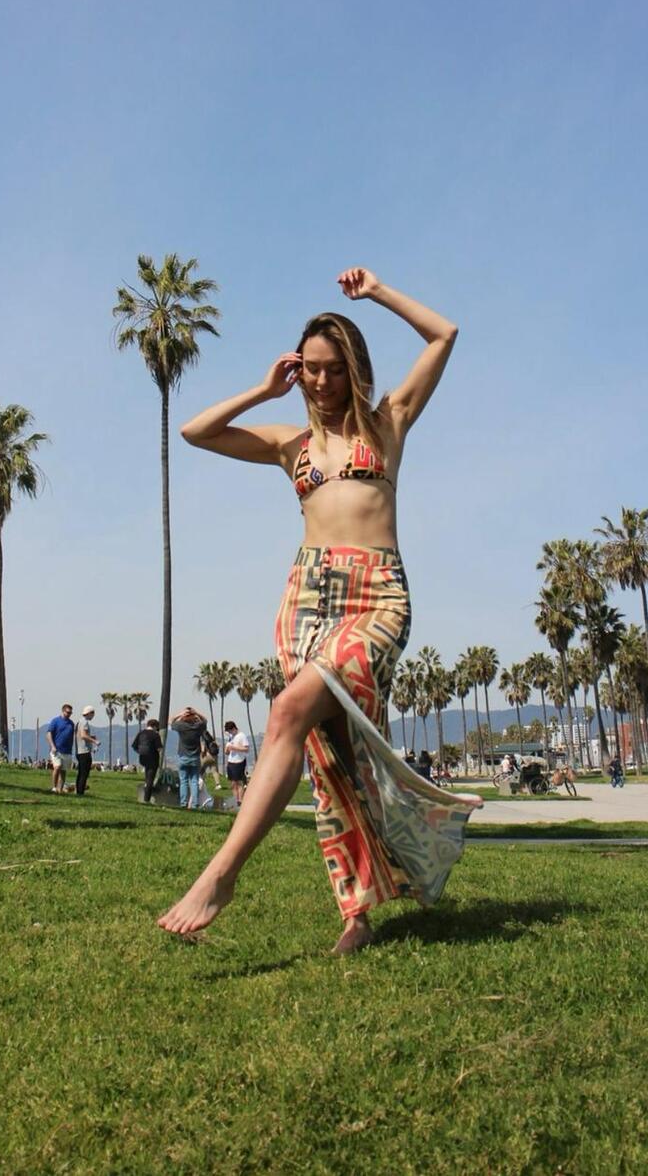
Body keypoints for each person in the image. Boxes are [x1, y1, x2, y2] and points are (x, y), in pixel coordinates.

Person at [157, 267, 476, 954]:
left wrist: (378, 292)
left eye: (333, 369)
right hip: (307, 599)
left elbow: (444, 334)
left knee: (286, 712)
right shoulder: (290, 444)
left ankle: (220, 875)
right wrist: (263, 389)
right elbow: (195, 431)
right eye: (310, 370)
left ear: (354, 369)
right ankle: (356, 914)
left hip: (377, 596)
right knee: (332, 757)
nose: (321, 382)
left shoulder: (388, 423)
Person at [171, 706, 208, 809]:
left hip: (183, 756)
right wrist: (196, 712)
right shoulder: (198, 727)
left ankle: (183, 803)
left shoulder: (181, 726)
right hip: (195, 757)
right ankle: (195, 804)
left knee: (183, 781)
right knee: (194, 781)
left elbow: (171, 721)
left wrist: (181, 713)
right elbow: (205, 720)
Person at [45, 703, 76, 794]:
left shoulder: (71, 724)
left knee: (63, 771)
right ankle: (54, 787)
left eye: (70, 713)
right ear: (63, 711)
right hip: (57, 750)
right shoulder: (55, 721)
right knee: (57, 767)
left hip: (67, 751)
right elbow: (49, 734)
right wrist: (52, 746)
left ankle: (60, 789)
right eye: (68, 712)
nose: (69, 714)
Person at [132, 717, 162, 802]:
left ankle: (146, 789)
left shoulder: (141, 733)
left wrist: (140, 752)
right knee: (150, 779)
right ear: (155, 726)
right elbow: (159, 748)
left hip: (142, 758)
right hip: (153, 758)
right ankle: (146, 799)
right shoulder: (155, 735)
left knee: (147, 776)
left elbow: (134, 746)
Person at [74, 705, 100, 796]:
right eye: (93, 714)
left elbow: (80, 735)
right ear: (89, 713)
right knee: (84, 773)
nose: (93, 716)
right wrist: (94, 741)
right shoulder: (84, 722)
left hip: (79, 751)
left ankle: (78, 791)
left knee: (81, 773)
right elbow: (83, 735)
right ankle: (80, 792)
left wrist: (91, 736)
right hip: (84, 751)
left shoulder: (79, 722)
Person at [224, 720, 250, 807]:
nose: (230, 733)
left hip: (239, 761)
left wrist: (234, 748)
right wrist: (227, 749)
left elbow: (246, 749)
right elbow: (227, 752)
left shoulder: (242, 736)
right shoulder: (231, 737)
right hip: (231, 761)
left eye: (230, 731)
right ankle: (236, 800)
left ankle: (241, 800)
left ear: (234, 728)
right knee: (232, 783)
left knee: (239, 782)